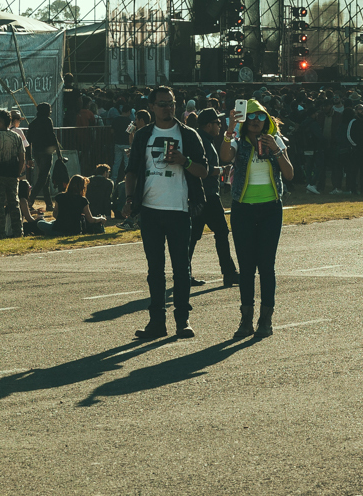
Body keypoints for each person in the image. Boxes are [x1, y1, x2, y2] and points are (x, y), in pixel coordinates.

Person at [123, 84, 210, 340]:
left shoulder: (189, 135)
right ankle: (156, 322)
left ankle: (183, 320)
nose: (167, 108)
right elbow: (132, 171)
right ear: (151, 107)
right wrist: (129, 198)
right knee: (155, 270)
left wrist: (184, 161)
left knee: (182, 269)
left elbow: (204, 171)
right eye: (162, 104)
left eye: (171, 103)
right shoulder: (143, 136)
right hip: (150, 210)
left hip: (180, 210)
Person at [221, 100, 294, 337]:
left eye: (261, 117)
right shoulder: (237, 141)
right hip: (243, 209)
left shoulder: (275, 140)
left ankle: (266, 319)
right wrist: (230, 128)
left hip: (270, 208)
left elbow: (289, 174)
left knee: (266, 266)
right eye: (251, 117)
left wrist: (276, 149)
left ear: (268, 120)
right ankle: (245, 319)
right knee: (246, 266)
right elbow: (224, 157)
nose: (255, 121)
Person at [187, 108, 239, 289]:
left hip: (197, 195)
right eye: (217, 123)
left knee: (192, 237)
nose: (219, 125)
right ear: (209, 125)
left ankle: (185, 273)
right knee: (222, 233)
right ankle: (229, 272)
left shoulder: (200, 139)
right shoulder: (204, 142)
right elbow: (204, 168)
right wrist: (221, 170)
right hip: (208, 194)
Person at [0, 109, 26, 240]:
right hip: (12, 175)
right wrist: (17, 173)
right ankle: (18, 231)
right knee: (14, 203)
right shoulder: (16, 137)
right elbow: (22, 158)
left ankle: (0, 233)